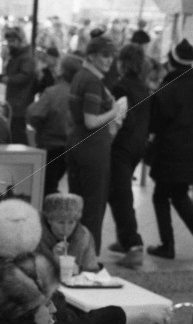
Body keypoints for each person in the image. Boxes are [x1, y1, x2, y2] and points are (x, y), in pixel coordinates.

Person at [146, 39, 193, 261]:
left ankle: (168, 245)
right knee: (178, 194)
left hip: (168, 152)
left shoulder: (166, 90)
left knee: (161, 196)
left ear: (171, 62)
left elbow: (154, 124)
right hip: (192, 152)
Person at [66, 35, 124, 253]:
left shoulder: (80, 75)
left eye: (112, 56)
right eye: (105, 55)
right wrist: (114, 111)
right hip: (92, 149)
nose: (109, 60)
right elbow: (91, 121)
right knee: (93, 207)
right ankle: (89, 259)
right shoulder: (92, 80)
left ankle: (74, 256)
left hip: (76, 144)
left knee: (76, 206)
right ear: (92, 56)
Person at [106, 43, 152, 269]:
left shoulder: (120, 87)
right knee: (118, 193)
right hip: (137, 146)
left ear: (122, 63)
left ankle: (133, 246)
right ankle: (126, 240)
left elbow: (118, 118)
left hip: (122, 147)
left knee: (121, 194)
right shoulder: (144, 87)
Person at [27, 54, 81, 196]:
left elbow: (34, 114)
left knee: (44, 188)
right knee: (55, 183)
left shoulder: (53, 93)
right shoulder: (81, 93)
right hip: (72, 148)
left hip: (50, 146)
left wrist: (40, 126)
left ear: (62, 70)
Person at [39, 193, 99, 274]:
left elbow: (92, 272)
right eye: (60, 222)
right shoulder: (36, 236)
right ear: (49, 220)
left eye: (71, 222)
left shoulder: (84, 236)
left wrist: (77, 271)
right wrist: (53, 259)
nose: (66, 228)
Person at [0, 26, 35, 144]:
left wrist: (8, 79)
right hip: (15, 100)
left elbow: (25, 76)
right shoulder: (17, 56)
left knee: (17, 132)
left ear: (20, 40)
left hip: (20, 101)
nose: (10, 44)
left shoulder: (25, 57)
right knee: (14, 130)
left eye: (13, 41)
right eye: (8, 41)